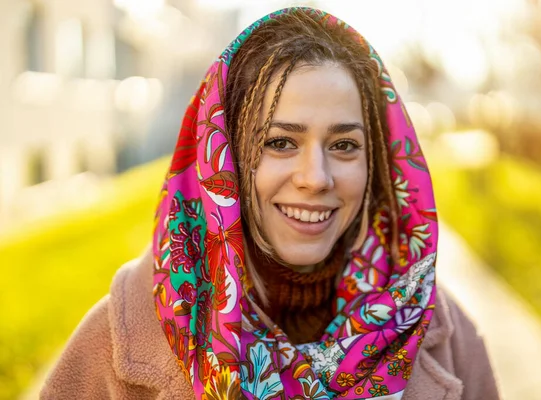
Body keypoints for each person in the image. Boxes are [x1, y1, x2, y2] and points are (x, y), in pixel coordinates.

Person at [41, 7, 499, 400]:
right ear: (222, 157)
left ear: (378, 161)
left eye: (343, 145)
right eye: (280, 142)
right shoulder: (109, 345)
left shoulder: (441, 327)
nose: (316, 178)